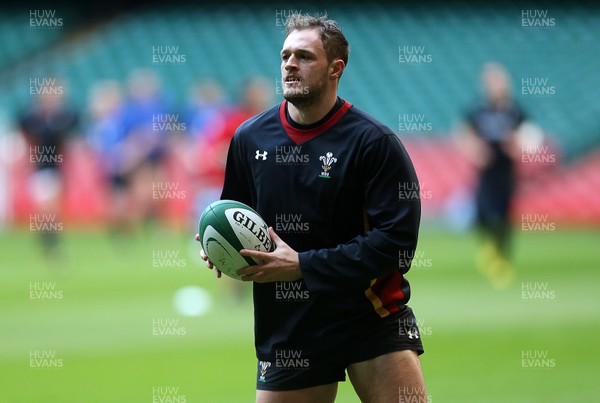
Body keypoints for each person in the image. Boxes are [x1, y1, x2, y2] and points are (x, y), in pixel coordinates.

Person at [196, 13, 427, 402]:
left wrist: (303, 265)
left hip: (369, 317)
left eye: (304, 56)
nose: (289, 64)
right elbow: (236, 214)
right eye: (285, 55)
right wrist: (221, 248)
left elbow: (397, 245)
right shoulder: (249, 138)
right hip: (289, 324)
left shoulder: (374, 143)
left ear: (336, 68)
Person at [456, 62, 527, 289]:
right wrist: (475, 150)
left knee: (505, 216)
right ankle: (490, 249)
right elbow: (462, 133)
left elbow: (529, 136)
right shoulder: (478, 110)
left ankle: (502, 259)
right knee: (482, 212)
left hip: (507, 171)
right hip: (486, 171)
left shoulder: (515, 111)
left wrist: (516, 144)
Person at [19, 79, 79, 258]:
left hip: (56, 169)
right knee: (47, 208)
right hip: (42, 170)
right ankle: (50, 244)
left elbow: (72, 123)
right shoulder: (34, 119)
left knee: (53, 209)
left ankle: (49, 244)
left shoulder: (61, 118)